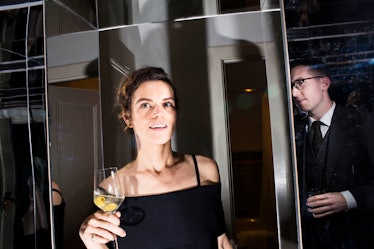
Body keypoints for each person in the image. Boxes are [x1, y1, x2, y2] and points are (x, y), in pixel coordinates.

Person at [79, 66, 233, 249]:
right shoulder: (111, 190)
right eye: (145, 105)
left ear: (176, 113)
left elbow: (221, 242)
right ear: (128, 117)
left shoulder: (205, 170)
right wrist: (90, 241)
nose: (158, 113)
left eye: (167, 104)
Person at [290, 58, 374, 249]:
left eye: (300, 83)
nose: (294, 93)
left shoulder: (362, 123)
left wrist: (348, 199)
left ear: (324, 83)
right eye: (292, 86)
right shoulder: (291, 132)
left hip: (356, 238)